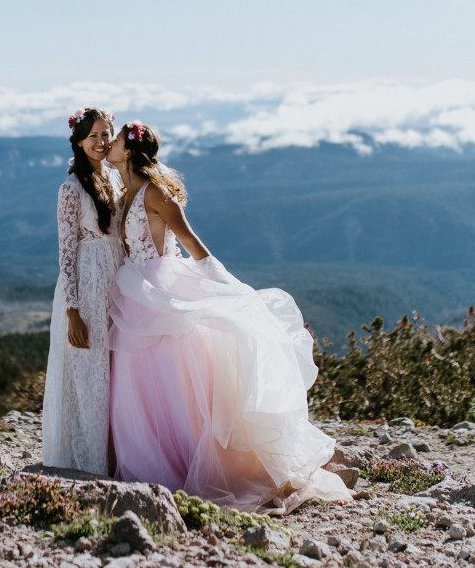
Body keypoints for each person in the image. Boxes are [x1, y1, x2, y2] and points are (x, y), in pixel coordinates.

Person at [106, 120, 351, 512]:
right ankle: (146, 465)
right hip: (136, 293)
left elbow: (191, 243)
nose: (110, 145)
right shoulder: (124, 195)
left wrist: (228, 287)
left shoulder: (155, 194)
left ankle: (185, 468)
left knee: (173, 381)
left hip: (163, 289)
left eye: (115, 139)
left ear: (131, 151)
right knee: (139, 385)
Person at [41, 107, 123, 474]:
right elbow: (65, 251)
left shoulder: (114, 178)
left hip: (116, 280)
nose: (102, 142)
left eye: (106, 135)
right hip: (86, 287)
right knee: (89, 373)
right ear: (78, 141)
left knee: (116, 373)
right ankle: (89, 463)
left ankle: (117, 456)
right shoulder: (70, 189)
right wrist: (72, 310)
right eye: (94, 136)